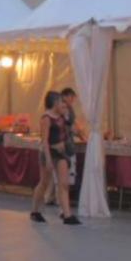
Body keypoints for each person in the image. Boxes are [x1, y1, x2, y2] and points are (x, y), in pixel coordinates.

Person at [31, 91, 80, 225]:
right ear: (54, 103)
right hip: (48, 152)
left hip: (61, 153)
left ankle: (67, 215)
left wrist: (68, 112)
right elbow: (45, 140)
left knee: (63, 183)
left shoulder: (62, 116)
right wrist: (48, 158)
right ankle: (35, 211)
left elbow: (69, 128)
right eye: (60, 101)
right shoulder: (46, 118)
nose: (62, 104)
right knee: (44, 183)